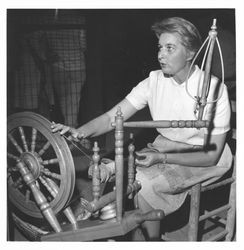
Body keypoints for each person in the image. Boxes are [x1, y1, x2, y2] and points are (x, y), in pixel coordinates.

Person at [51, 17, 232, 240]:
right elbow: (112, 117)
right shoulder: (153, 81)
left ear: (190, 53)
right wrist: (79, 131)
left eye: (169, 48)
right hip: (167, 146)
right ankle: (146, 232)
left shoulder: (214, 90)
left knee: (142, 183)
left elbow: (211, 155)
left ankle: (150, 240)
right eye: (159, 47)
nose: (160, 54)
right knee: (129, 174)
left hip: (205, 156)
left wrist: (161, 159)